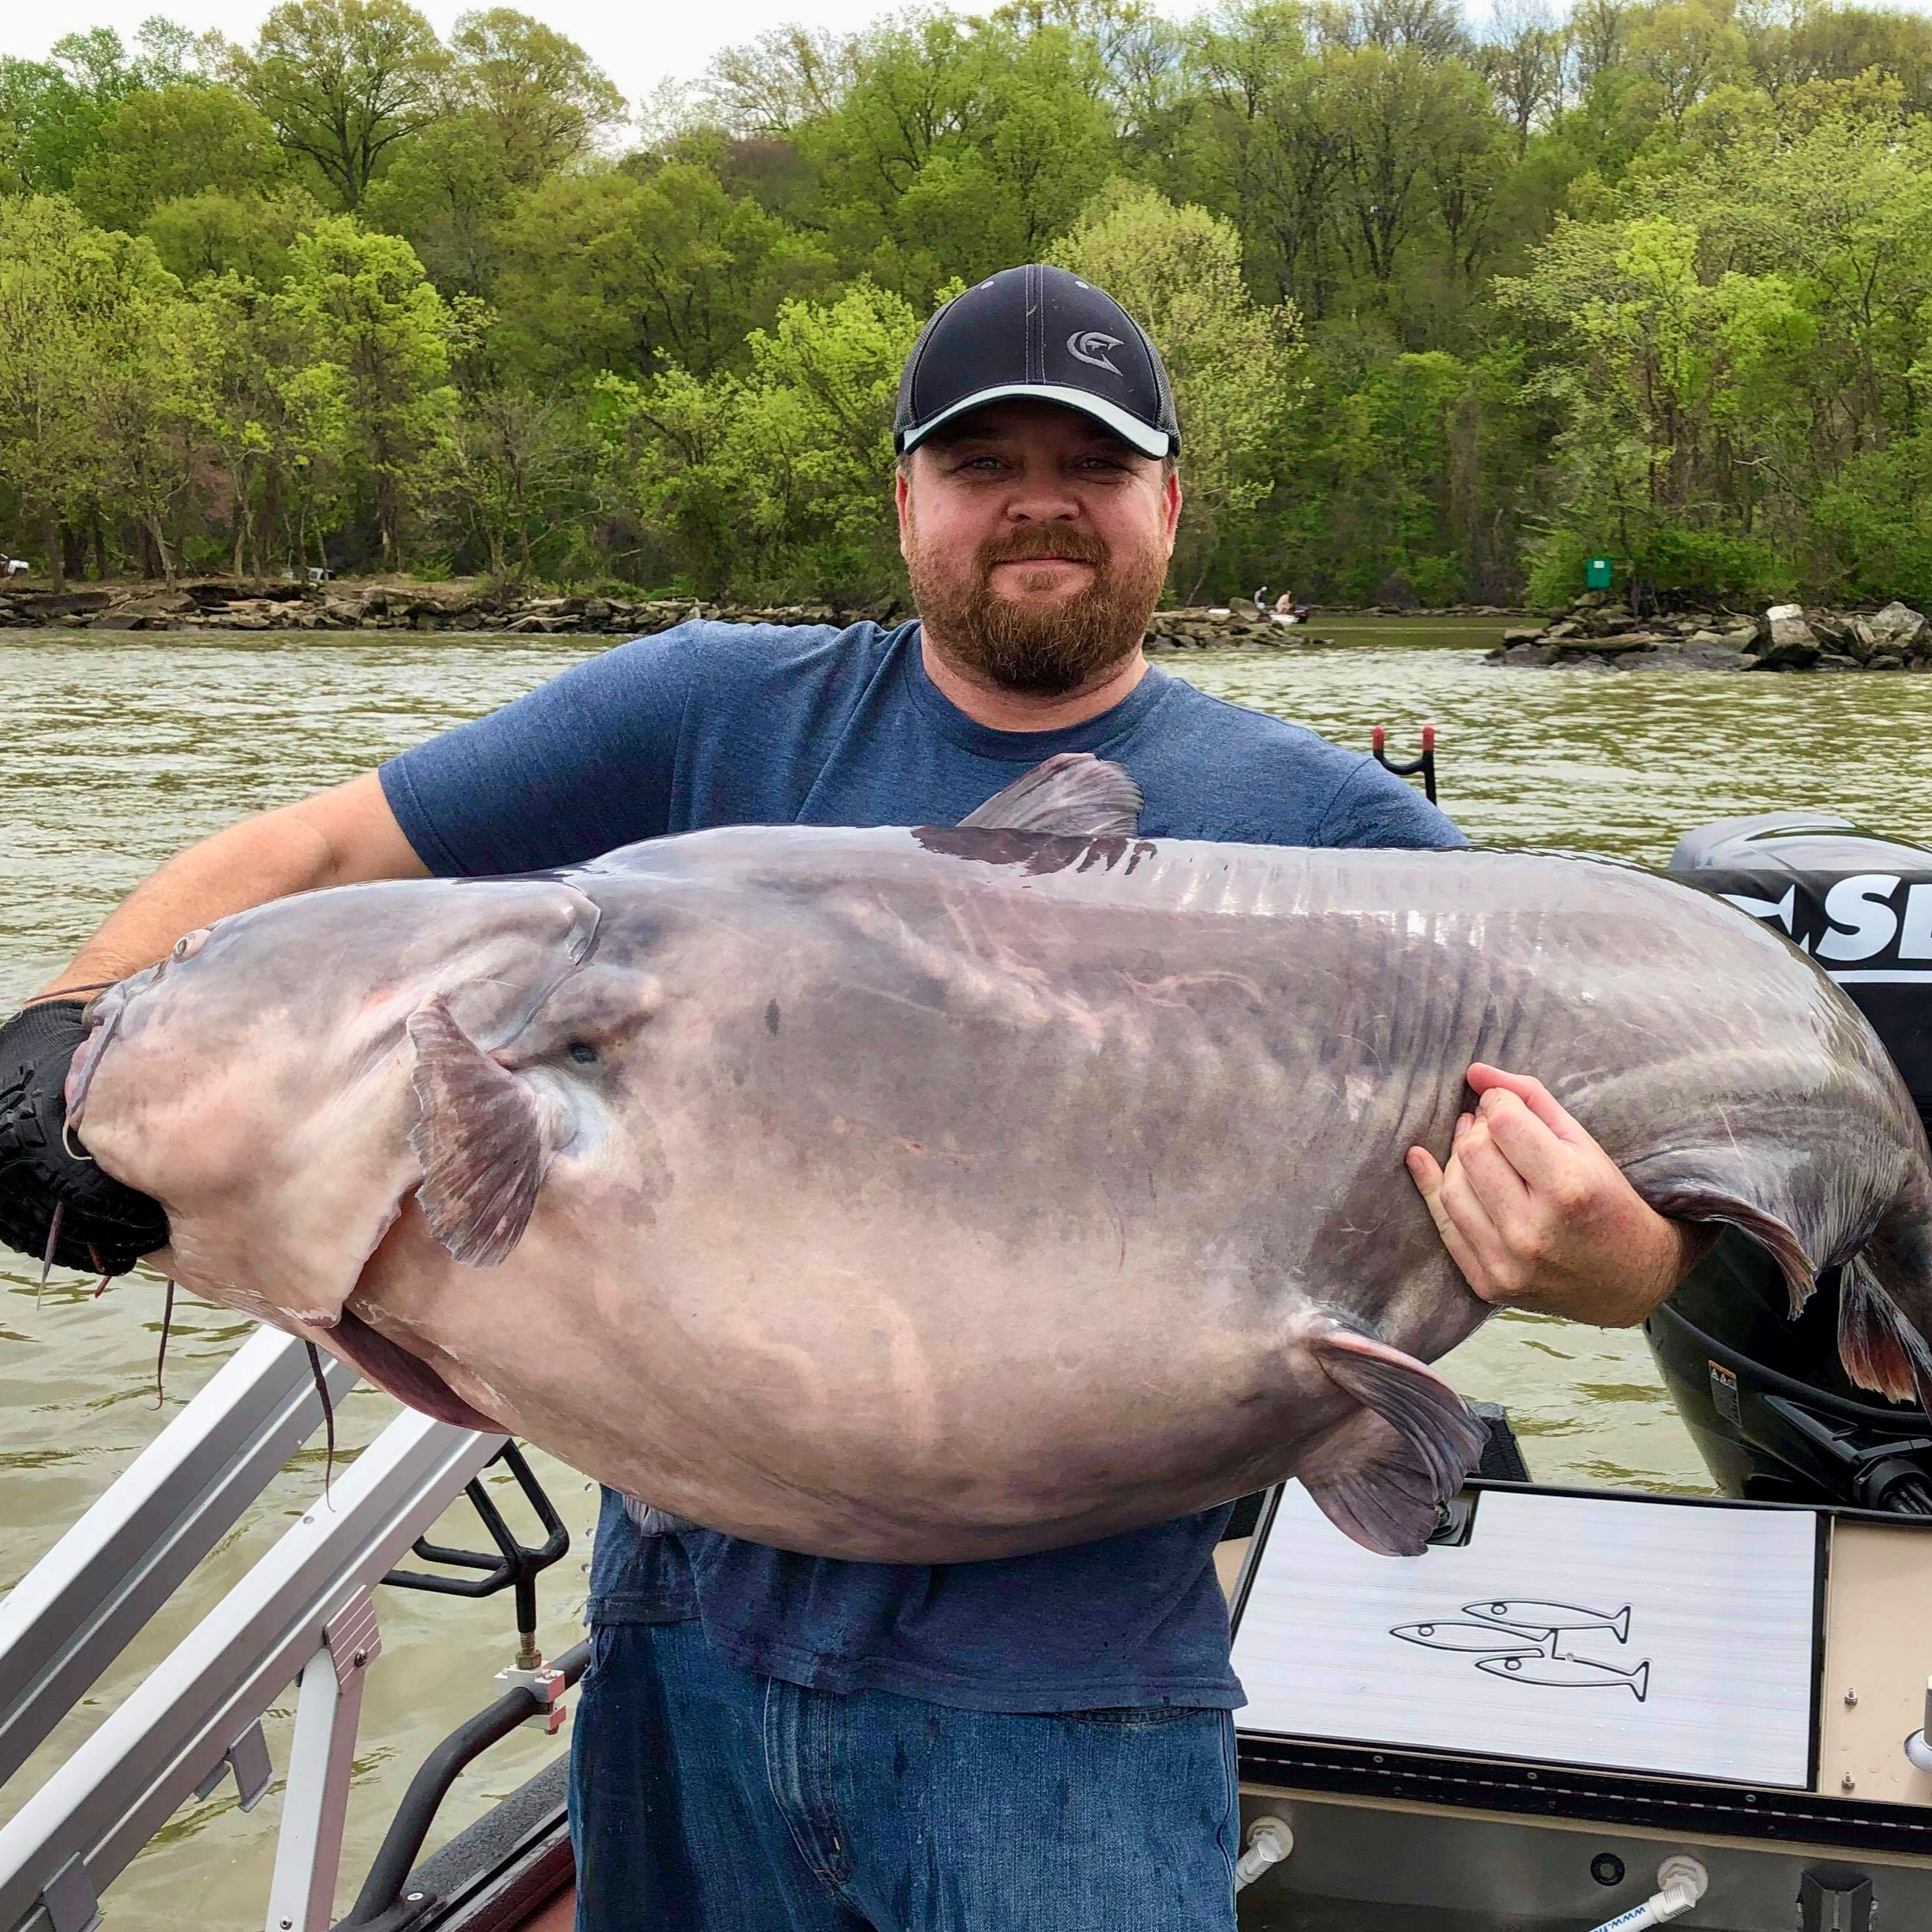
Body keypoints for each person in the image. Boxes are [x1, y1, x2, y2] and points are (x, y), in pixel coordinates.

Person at [0, 263, 1705, 1929]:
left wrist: (1608, 1263)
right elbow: (312, 856)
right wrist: (58, 1029)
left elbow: (1616, 1189)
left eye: (1092, 469)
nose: (1039, 509)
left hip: (1069, 1693)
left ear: (1169, 508)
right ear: (905, 503)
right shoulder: (706, 714)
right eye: (983, 468)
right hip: (682, 1643)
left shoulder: (1328, 836)